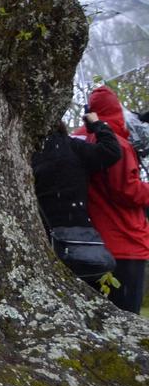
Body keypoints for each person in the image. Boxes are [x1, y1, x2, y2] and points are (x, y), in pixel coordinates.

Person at [77, 86, 149, 313]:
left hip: (94, 241)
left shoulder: (82, 140)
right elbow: (127, 191)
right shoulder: (117, 144)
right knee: (126, 317)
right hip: (124, 241)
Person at [32, 115, 121, 281]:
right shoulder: (73, 147)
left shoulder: (31, 154)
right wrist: (97, 124)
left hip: (44, 231)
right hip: (78, 231)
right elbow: (111, 151)